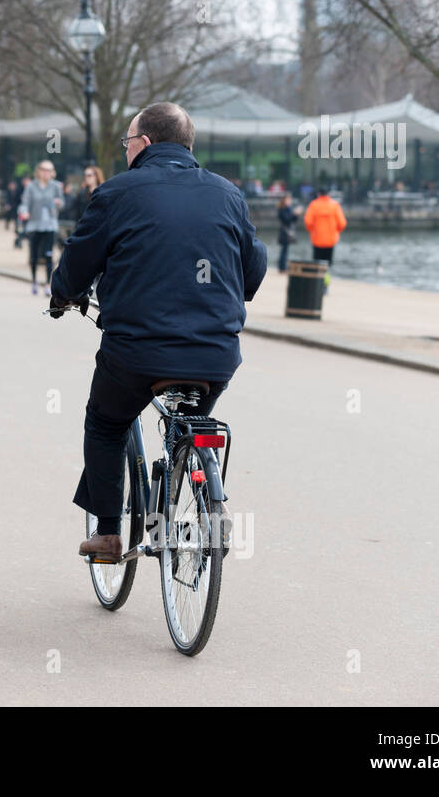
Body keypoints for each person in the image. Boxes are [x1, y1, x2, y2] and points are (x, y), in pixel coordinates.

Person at [48, 102, 266, 561]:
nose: (125, 151)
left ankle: (109, 532)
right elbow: (254, 270)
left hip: (135, 354)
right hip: (215, 353)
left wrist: (63, 296)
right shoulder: (228, 194)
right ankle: (194, 494)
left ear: (143, 143)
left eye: (127, 142)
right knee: (191, 417)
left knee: (107, 423)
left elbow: (77, 262)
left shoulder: (116, 193)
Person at [19, 159, 64, 295]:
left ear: (53, 172)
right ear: (38, 171)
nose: (46, 173)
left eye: (49, 170)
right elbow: (24, 203)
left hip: (50, 224)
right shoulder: (31, 186)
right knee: (33, 255)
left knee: (48, 255)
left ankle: (46, 284)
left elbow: (62, 203)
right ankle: (33, 281)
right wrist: (24, 212)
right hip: (34, 224)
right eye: (44, 169)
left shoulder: (56, 186)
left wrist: (58, 202)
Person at [304, 185, 347, 264]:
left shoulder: (313, 205)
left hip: (317, 239)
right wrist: (335, 231)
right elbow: (342, 223)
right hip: (330, 240)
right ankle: (327, 275)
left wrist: (313, 231)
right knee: (328, 264)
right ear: (328, 194)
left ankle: (318, 276)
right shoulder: (334, 205)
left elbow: (308, 222)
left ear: (318, 194)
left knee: (317, 263)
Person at [276, 193, 299, 273]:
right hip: (284, 232)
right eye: (288, 199)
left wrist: (296, 214)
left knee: (285, 250)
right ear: (284, 200)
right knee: (284, 250)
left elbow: (293, 220)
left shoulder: (288, 208)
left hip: (287, 231)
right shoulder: (282, 209)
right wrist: (294, 214)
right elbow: (286, 220)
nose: (290, 201)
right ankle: (282, 267)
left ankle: (283, 266)